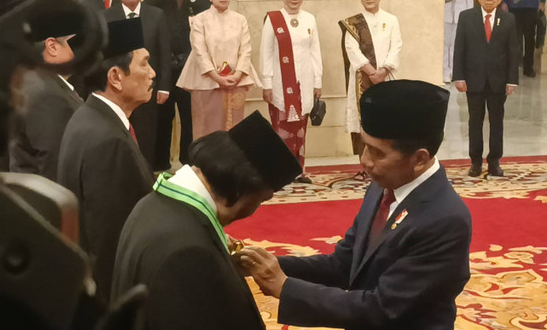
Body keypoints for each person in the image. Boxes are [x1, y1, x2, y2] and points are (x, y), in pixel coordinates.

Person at [237, 80, 472, 330]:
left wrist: (283, 287)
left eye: (377, 153)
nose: (365, 161)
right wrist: (261, 264)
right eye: (363, 146)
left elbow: (381, 308)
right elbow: (344, 265)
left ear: (419, 159)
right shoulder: (383, 186)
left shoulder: (444, 219)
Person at [111, 111, 302, 330]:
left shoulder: (154, 204)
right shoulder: (189, 251)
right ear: (241, 189)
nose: (254, 210)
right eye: (261, 200)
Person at [57, 18, 156, 304]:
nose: (152, 73)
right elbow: (111, 243)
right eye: (144, 63)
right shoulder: (108, 141)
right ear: (115, 76)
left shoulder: (91, 116)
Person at [103, 0, 172, 170]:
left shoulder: (156, 15)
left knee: (146, 135)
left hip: (147, 88)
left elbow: (164, 53)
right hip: (116, 90)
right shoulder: (107, 16)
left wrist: (164, 87)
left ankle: (145, 175)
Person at [177, 0, 259, 139]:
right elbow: (199, 50)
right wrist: (215, 76)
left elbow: (246, 49)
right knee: (207, 128)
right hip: (206, 82)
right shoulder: (200, 20)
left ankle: (232, 164)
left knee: (234, 129)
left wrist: (237, 74)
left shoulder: (240, 19)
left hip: (236, 81)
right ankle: (205, 164)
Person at [453, 0, 519, 177]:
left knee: (497, 121)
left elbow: (513, 52)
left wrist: (512, 80)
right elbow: (459, 49)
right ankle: (475, 161)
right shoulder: (466, 17)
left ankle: (494, 161)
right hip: (474, 80)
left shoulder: (508, 19)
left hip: (498, 82)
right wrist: (459, 76)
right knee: (475, 121)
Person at [9, 6, 83, 181]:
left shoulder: (36, 79)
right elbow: (55, 167)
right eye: (80, 41)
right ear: (52, 46)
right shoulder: (48, 95)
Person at [145, 0, 210, 167]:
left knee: (190, 117)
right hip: (164, 68)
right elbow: (145, 9)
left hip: (191, 67)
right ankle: (160, 162)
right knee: (163, 117)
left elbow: (210, 11)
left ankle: (189, 161)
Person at [260, 0, 323, 183]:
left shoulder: (310, 19)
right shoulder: (273, 19)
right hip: (280, 82)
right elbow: (266, 53)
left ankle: (298, 171)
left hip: (304, 82)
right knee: (282, 129)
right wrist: (267, 82)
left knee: (300, 129)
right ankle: (280, 173)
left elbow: (315, 51)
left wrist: (317, 81)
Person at [339, 0, 401, 180]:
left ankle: (384, 165)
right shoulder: (353, 23)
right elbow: (352, 50)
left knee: (384, 121)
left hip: (386, 78)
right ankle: (365, 166)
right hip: (361, 80)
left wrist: (383, 70)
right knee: (361, 121)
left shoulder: (391, 20)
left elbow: (396, 46)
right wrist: (370, 72)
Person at [499, 0, 546, 78]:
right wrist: (503, 1)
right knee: (513, 38)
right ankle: (512, 68)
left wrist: (542, 0)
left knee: (530, 37)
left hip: (531, 1)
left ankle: (528, 67)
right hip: (513, 2)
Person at [430, 0, 473, 83]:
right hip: (444, 12)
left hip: (461, 12)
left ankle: (456, 72)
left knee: (457, 44)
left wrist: (470, 15)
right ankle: (444, 72)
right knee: (444, 44)